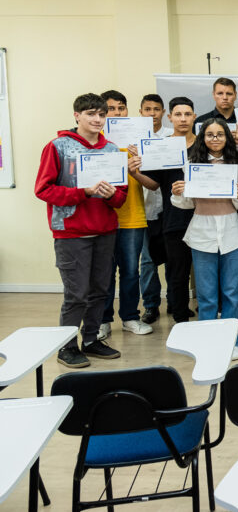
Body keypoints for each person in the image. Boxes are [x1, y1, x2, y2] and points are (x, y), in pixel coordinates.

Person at [35, 93, 127, 368]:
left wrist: (111, 195)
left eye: (101, 114)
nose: (97, 119)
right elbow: (43, 189)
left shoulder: (112, 150)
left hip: (104, 231)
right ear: (77, 116)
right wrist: (82, 192)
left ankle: (90, 339)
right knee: (76, 294)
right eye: (90, 114)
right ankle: (66, 347)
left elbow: (120, 198)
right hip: (71, 232)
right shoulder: (58, 147)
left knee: (100, 290)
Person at [171, 118, 238, 359]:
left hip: (231, 232)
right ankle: (206, 340)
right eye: (210, 134)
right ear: (203, 138)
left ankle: (232, 340)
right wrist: (178, 192)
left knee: (232, 292)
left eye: (220, 134)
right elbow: (185, 204)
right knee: (206, 294)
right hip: (202, 232)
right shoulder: (192, 164)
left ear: (227, 137)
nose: (215, 139)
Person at [98, 90, 155, 340]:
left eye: (121, 108)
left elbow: (153, 179)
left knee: (131, 271)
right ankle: (102, 320)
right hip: (103, 218)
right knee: (104, 272)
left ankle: (130, 316)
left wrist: (140, 158)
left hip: (132, 215)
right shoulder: (94, 141)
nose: (117, 113)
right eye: (111, 109)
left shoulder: (139, 140)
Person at [140, 97, 197, 325]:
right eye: (178, 114)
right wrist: (134, 171)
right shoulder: (162, 146)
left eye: (187, 114)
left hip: (205, 217)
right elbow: (153, 184)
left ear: (194, 117)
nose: (183, 119)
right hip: (174, 219)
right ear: (170, 117)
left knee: (205, 275)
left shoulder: (205, 144)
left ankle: (210, 320)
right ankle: (181, 321)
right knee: (177, 274)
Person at [139, 94, 172, 324]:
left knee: (174, 258)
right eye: (148, 109)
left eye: (157, 109)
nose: (152, 113)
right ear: (140, 112)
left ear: (163, 112)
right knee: (148, 261)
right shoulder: (131, 138)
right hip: (143, 208)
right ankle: (151, 305)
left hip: (170, 207)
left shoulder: (173, 136)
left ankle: (174, 301)